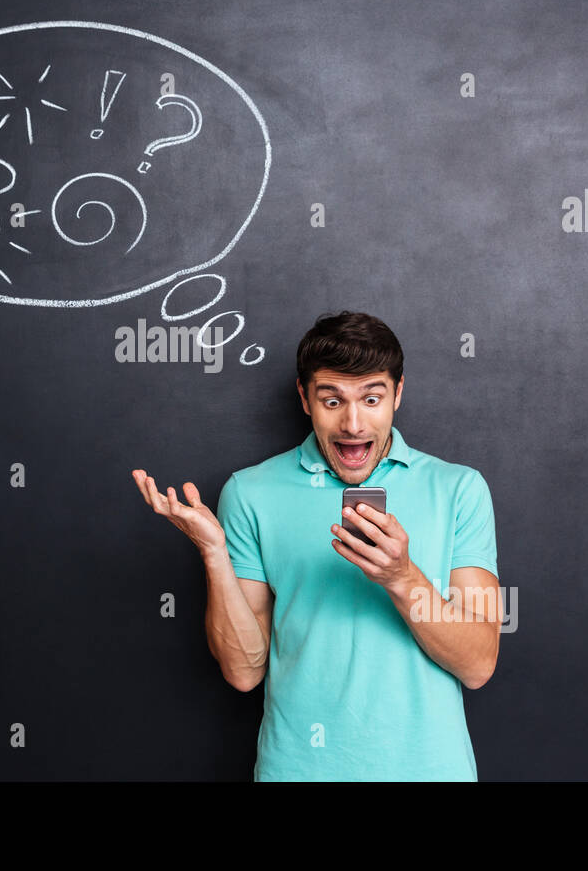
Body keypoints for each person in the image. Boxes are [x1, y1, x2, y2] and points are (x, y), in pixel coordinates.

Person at [132, 310, 501, 780]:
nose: (353, 424)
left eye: (372, 399)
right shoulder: (249, 493)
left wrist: (402, 578)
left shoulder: (459, 490)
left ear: (398, 395)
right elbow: (243, 672)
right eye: (332, 400)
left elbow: (478, 663)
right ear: (304, 398)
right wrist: (214, 555)